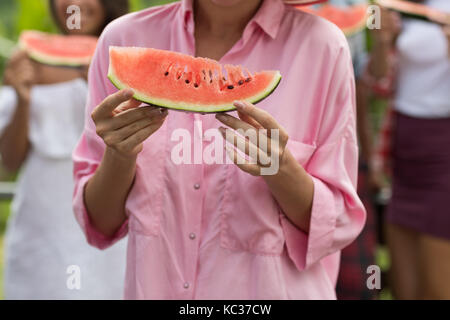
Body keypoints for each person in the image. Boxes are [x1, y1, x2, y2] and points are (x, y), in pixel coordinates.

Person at [72, 0, 366, 299]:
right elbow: (100, 221)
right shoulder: (123, 40)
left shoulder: (322, 48)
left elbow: (336, 225)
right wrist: (119, 155)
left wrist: (281, 169)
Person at [0, 0, 129, 299]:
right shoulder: (27, 61)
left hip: (110, 214)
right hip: (42, 222)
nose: (74, 4)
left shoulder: (127, 57)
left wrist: (100, 81)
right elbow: (9, 161)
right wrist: (23, 99)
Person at [368, 0, 450, 299]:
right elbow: (378, 83)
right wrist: (381, 40)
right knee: (404, 290)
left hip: (444, 152)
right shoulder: (410, 5)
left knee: (438, 290)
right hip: (403, 151)